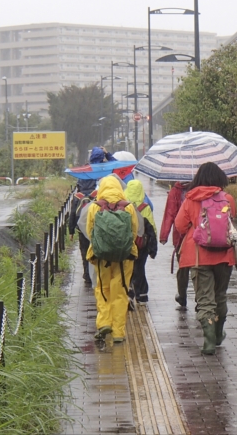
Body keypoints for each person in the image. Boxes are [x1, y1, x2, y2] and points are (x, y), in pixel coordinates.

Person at [174, 162, 237, 355]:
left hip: (198, 256)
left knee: (205, 299)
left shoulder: (191, 199)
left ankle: (209, 342)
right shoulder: (227, 199)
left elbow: (180, 226)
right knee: (220, 295)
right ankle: (218, 334)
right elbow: (230, 221)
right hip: (225, 255)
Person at [86, 175, 138, 344]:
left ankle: (104, 323)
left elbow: (90, 231)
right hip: (125, 257)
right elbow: (134, 232)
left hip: (102, 257)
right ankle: (118, 333)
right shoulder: (128, 207)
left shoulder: (95, 207)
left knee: (103, 289)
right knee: (120, 291)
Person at [68, 146, 114, 285]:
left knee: (84, 248)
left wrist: (70, 231)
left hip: (81, 225)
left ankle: (87, 275)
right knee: (97, 245)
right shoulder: (105, 173)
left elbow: (72, 214)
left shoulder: (79, 193)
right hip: (97, 222)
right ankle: (99, 271)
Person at [125, 179, 158, 305]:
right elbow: (152, 228)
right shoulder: (145, 207)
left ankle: (130, 290)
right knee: (140, 267)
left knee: (129, 267)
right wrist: (153, 248)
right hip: (142, 244)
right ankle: (142, 294)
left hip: (128, 243)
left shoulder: (124, 206)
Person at [160, 181, 190, 309]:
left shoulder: (174, 191)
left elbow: (169, 214)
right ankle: (201, 299)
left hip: (180, 237)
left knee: (183, 267)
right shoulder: (198, 189)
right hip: (198, 236)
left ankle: (182, 296)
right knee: (198, 268)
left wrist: (164, 235)